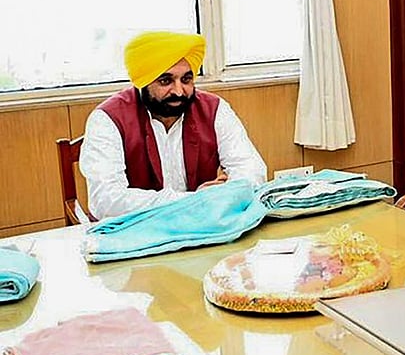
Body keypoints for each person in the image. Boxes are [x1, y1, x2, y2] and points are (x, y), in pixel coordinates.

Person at [80, 31, 267, 220]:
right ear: (142, 82)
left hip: (203, 227)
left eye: (186, 79)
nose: (179, 91)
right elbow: (105, 200)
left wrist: (224, 194)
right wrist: (192, 201)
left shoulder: (214, 109)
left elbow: (252, 171)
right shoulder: (107, 119)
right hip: (135, 233)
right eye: (165, 81)